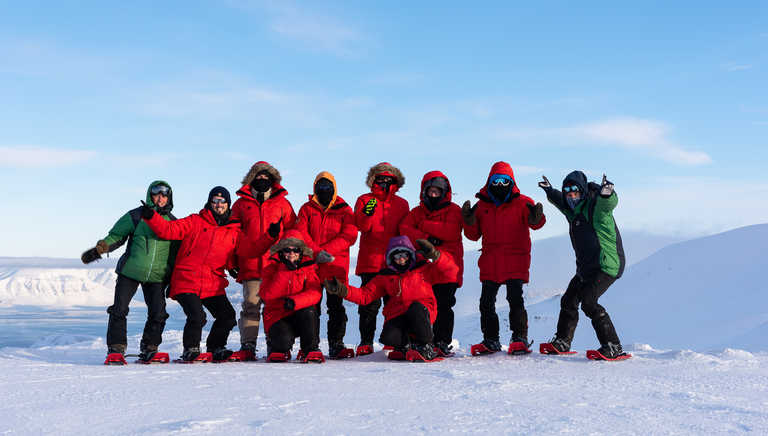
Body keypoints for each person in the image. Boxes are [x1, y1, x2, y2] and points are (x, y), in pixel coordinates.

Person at [81, 180, 178, 363]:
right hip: (130, 271)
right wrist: (100, 249)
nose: (160, 198)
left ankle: (150, 347)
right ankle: (116, 348)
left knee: (158, 313)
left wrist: (173, 278)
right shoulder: (136, 215)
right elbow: (117, 236)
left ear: (169, 197)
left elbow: (175, 253)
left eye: (164, 195)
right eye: (157, 193)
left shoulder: (173, 223)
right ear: (150, 195)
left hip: (157, 276)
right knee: (119, 309)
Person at [142, 187, 240, 362]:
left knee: (227, 316)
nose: (219, 204)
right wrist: (151, 217)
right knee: (197, 316)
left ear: (228, 204)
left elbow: (232, 253)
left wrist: (233, 267)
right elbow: (168, 230)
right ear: (210, 203)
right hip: (186, 279)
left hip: (212, 282)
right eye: (215, 200)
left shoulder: (233, 229)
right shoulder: (195, 221)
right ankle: (191, 349)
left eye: (222, 201)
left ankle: (216, 347)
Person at [538, 172, 628, 359]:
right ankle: (562, 341)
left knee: (588, 301)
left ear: (584, 192)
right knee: (569, 300)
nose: (571, 198)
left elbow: (607, 204)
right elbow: (560, 201)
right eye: (568, 194)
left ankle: (613, 346)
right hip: (587, 268)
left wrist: (607, 193)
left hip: (606, 265)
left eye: (575, 194)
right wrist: (549, 190)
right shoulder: (573, 211)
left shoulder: (595, 206)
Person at [325, 237, 458, 362]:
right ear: (391, 257)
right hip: (399, 314)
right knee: (389, 337)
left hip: (422, 313)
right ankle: (405, 345)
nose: (401, 259)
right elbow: (365, 295)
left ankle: (426, 346)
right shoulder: (385, 276)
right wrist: (342, 290)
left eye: (404, 255)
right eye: (397, 256)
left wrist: (435, 255)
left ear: (410, 255)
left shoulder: (423, 269)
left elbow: (451, 271)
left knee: (416, 309)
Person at [463, 161, 546, 354]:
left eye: (504, 180)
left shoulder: (523, 202)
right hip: (491, 260)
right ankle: (490, 340)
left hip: (516, 258)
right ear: (490, 181)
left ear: (511, 181)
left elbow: (536, 223)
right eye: (496, 180)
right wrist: (468, 222)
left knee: (515, 298)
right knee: (486, 302)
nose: (500, 184)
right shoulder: (481, 205)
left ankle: (520, 338)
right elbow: (473, 235)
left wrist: (537, 218)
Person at [231, 161, 297, 357]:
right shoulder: (241, 204)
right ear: (251, 179)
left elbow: (293, 232)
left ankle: (275, 345)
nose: (262, 180)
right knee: (251, 306)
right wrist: (232, 262)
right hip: (250, 264)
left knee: (274, 308)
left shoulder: (283, 204)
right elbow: (232, 235)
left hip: (275, 266)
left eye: (266, 178)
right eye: (258, 177)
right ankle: (248, 345)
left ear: (273, 180)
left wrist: (292, 258)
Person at [399, 171, 464, 356]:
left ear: (445, 192)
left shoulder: (454, 210)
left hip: (448, 268)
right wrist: (426, 238)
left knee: (444, 306)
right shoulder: (416, 211)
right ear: (424, 192)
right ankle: (426, 341)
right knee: (425, 306)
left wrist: (424, 226)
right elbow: (404, 228)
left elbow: (452, 231)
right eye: (431, 191)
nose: (433, 195)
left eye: (437, 191)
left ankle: (442, 342)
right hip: (424, 270)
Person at [295, 172, 358, 359]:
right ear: (315, 188)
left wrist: (326, 252)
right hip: (311, 267)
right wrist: (316, 253)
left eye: (328, 187)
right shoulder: (306, 209)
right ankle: (310, 345)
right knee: (311, 307)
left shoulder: (345, 210)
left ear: (334, 188)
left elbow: (350, 235)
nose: (324, 190)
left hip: (334, 267)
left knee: (336, 307)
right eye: (320, 187)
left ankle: (336, 344)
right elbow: (300, 233)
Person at [353, 162, 409, 356]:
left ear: (395, 181)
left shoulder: (402, 204)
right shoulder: (364, 200)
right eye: (380, 179)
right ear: (373, 181)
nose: (384, 182)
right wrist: (368, 213)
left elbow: (404, 232)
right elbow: (362, 226)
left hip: (393, 262)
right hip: (370, 261)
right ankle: (365, 342)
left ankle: (390, 341)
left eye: (388, 179)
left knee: (393, 304)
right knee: (368, 305)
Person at [259, 230, 323, 362]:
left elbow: (315, 293)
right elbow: (267, 295)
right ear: (281, 251)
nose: (292, 253)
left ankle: (310, 349)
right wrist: (285, 270)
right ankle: (275, 346)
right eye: (288, 250)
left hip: (298, 313)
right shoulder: (271, 268)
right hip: (277, 316)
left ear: (301, 252)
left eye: (296, 250)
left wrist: (295, 302)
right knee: (283, 343)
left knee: (310, 311)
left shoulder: (308, 267)